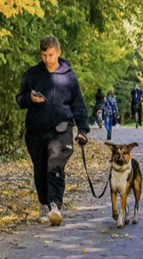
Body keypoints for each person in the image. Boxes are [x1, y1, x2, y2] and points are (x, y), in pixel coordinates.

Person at [16, 35, 89, 226]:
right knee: (40, 167)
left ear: (58, 53)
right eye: (44, 55)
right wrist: (30, 99)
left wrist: (83, 130)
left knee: (55, 164)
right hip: (36, 129)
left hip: (62, 126)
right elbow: (19, 100)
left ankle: (55, 205)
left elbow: (78, 104)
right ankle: (44, 204)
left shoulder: (69, 75)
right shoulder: (32, 74)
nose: (47, 59)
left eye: (50, 55)